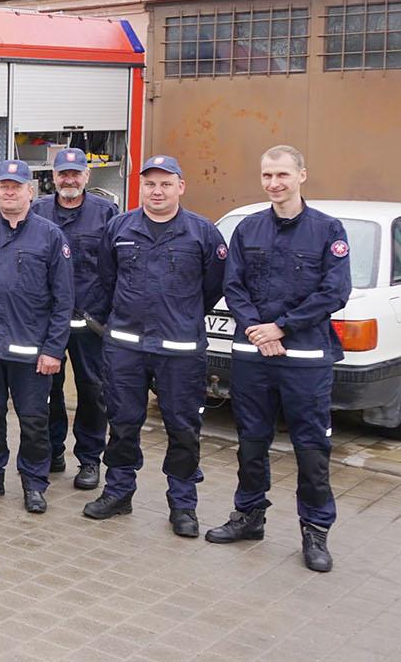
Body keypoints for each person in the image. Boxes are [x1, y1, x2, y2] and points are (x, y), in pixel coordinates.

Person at [206, 145, 350, 572]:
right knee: (251, 443)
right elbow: (233, 286)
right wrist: (256, 328)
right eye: (267, 175)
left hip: (305, 358)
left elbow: (334, 291)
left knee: (311, 448)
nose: (274, 183)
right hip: (253, 356)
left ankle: (315, 531)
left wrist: (281, 327)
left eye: (283, 175)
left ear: (302, 175)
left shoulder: (327, 230)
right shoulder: (248, 229)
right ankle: (250, 516)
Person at [82, 155, 226, 538]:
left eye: (165, 183)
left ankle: (182, 505)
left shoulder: (202, 233)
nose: (156, 191)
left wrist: (181, 316)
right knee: (123, 422)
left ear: (181, 186)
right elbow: (106, 279)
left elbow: (213, 287)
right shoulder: (119, 228)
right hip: (126, 346)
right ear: (140, 187)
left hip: (179, 349)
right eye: (150, 184)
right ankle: (119, 491)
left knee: (182, 428)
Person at [0, 160, 74, 514]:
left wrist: (53, 350)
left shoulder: (50, 236)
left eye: (16, 187)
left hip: (32, 353)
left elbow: (64, 299)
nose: (9, 192)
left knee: (34, 420)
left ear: (30, 192)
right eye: (4, 186)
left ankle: (34, 483)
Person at [29, 148, 117, 490]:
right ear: (53, 176)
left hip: (89, 320)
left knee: (92, 390)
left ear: (86, 176)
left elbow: (115, 266)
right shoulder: (37, 211)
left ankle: (90, 459)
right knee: (45, 388)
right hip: (46, 320)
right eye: (63, 173)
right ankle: (51, 451)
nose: (69, 179)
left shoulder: (106, 213)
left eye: (75, 173)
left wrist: (108, 314)